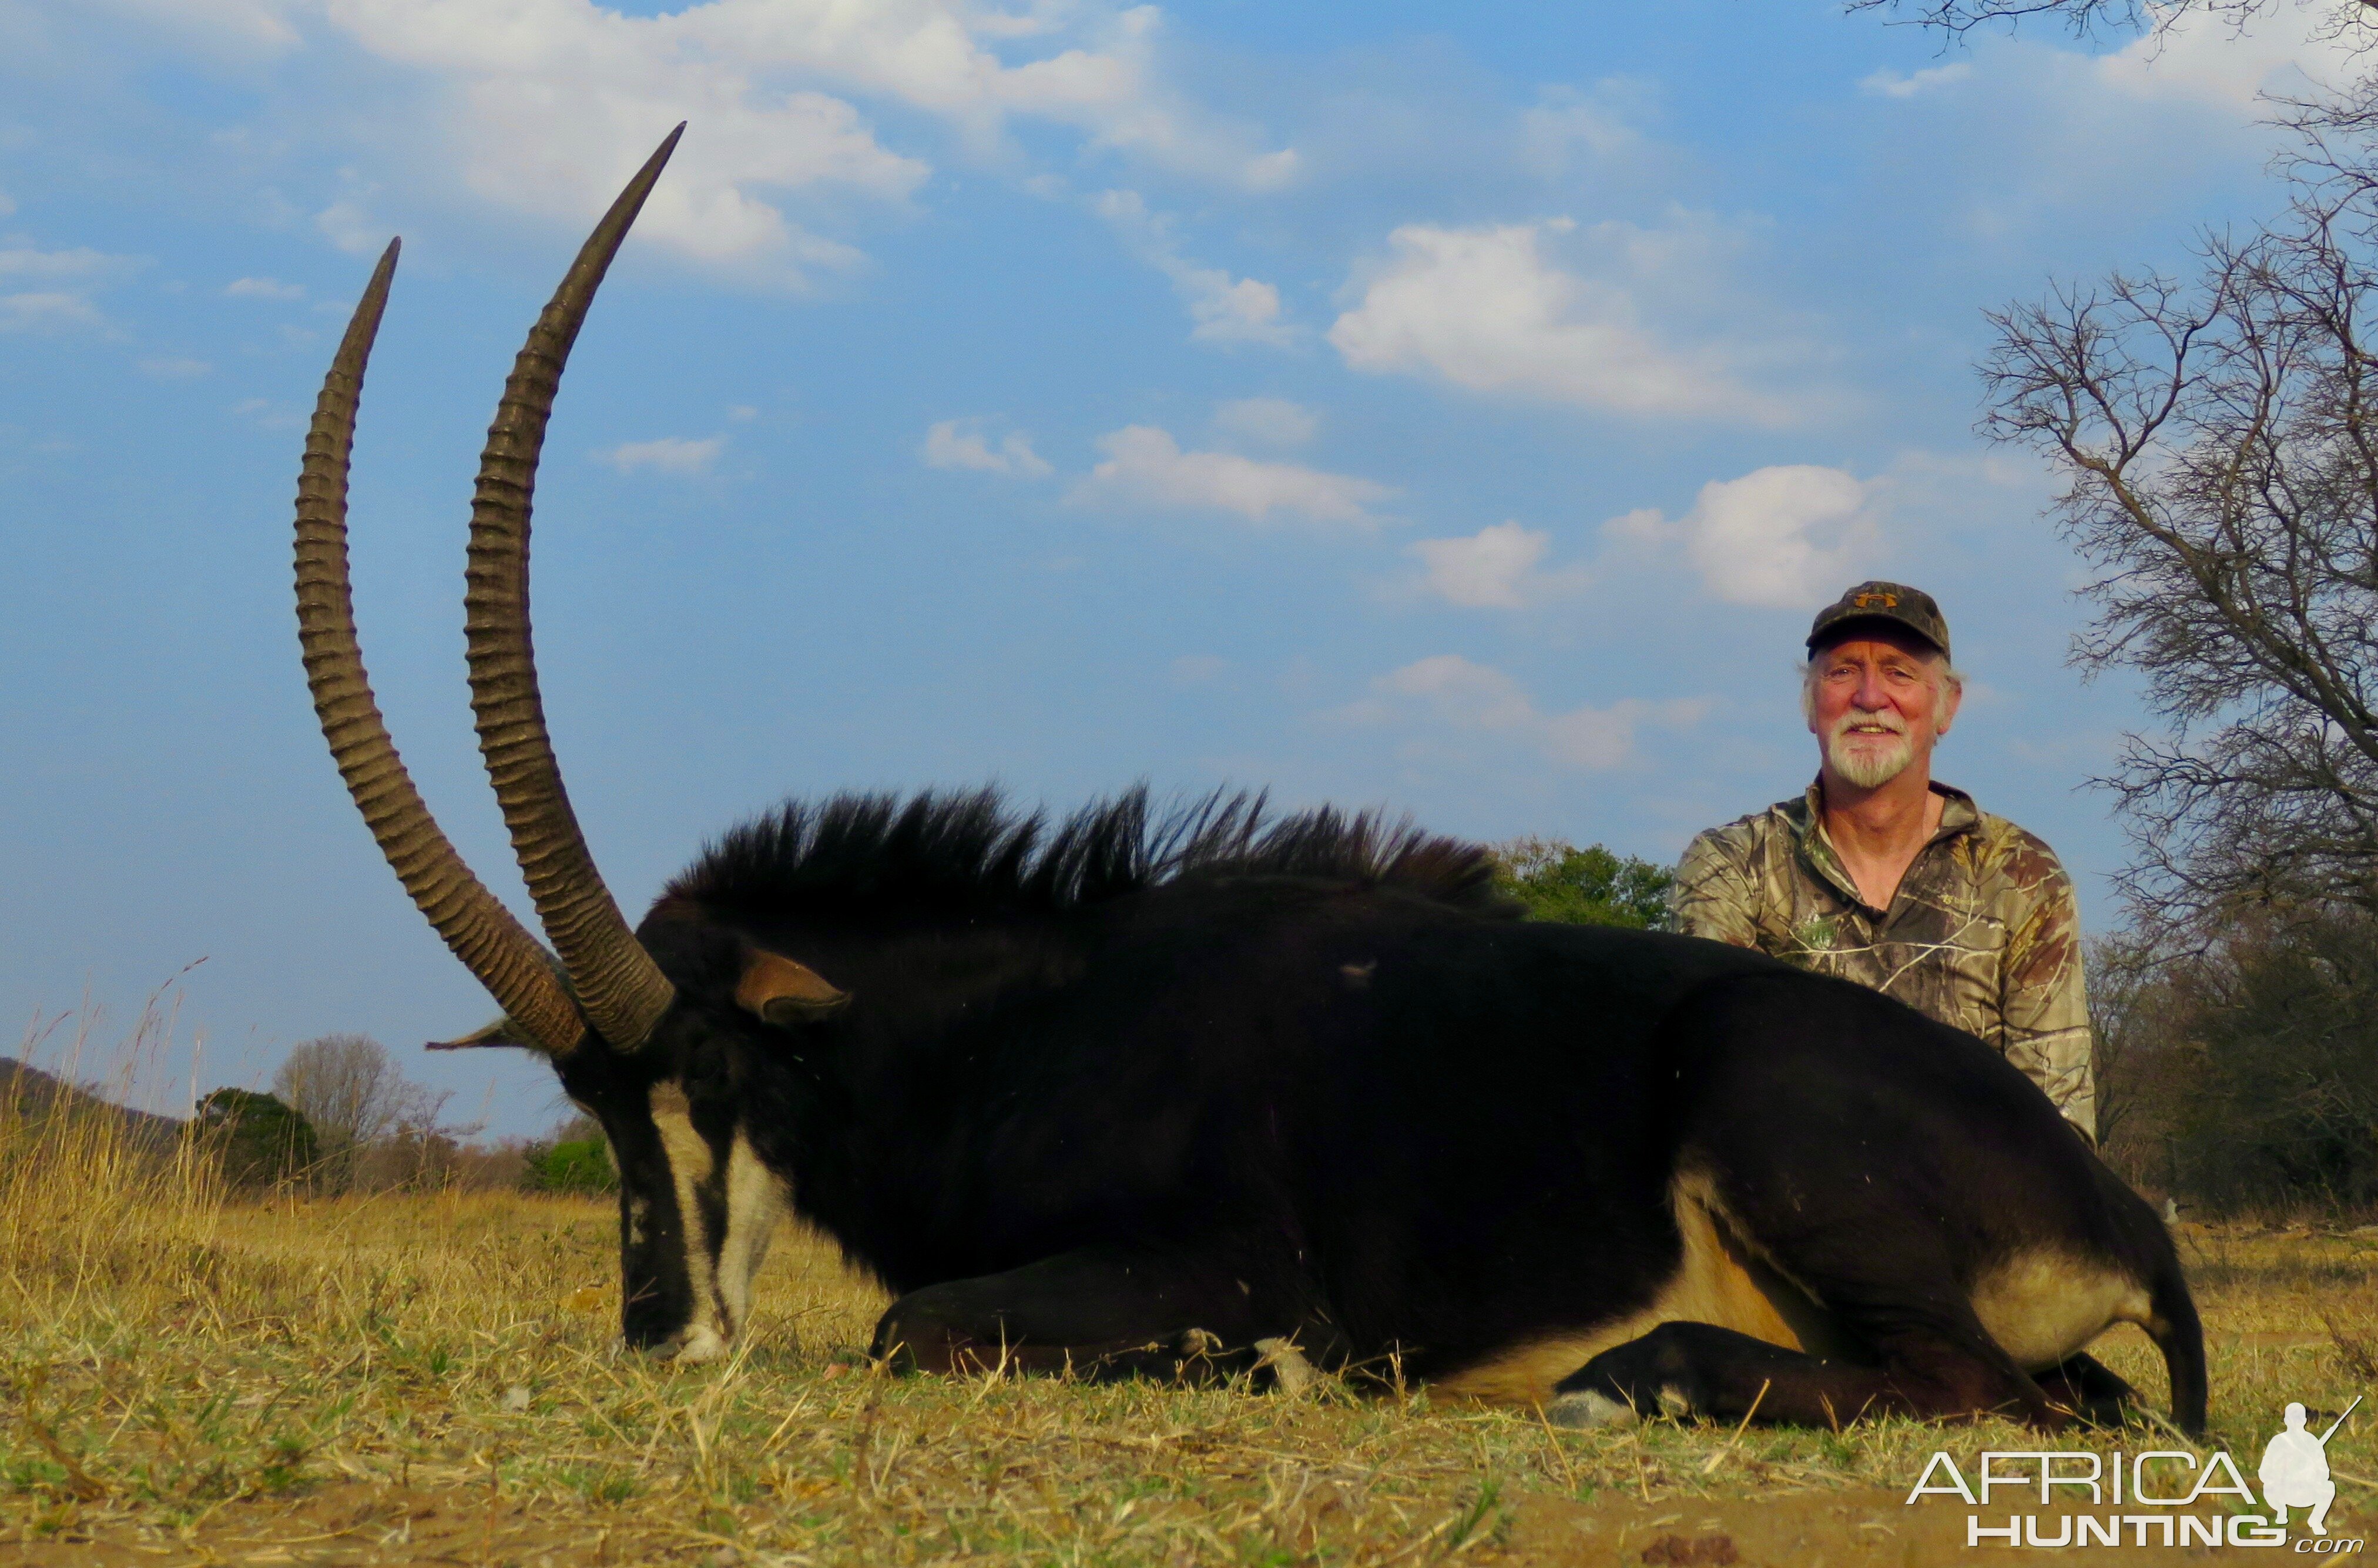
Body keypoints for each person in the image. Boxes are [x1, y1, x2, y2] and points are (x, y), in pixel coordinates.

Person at [1671, 582, 2095, 1140]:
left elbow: (2059, 1129)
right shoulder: (1732, 867)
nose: (1869, 697)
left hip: (1976, 1216)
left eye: (1898, 672)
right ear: (1810, 705)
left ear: (1946, 705)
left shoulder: (2019, 874)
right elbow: (1717, 1097)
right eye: (1842, 671)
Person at [2260, 1402, 2338, 1536]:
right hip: (2281, 1491)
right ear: (2285, 1421)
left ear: (2304, 1421)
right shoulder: (2278, 1442)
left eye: (2298, 1419)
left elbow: (2324, 1471)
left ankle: (2316, 1520)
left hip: (2306, 1491)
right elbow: (2264, 1472)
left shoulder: (2312, 1442)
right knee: (2268, 1487)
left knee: (2329, 1487)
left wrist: (2309, 1473)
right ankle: (2281, 1512)